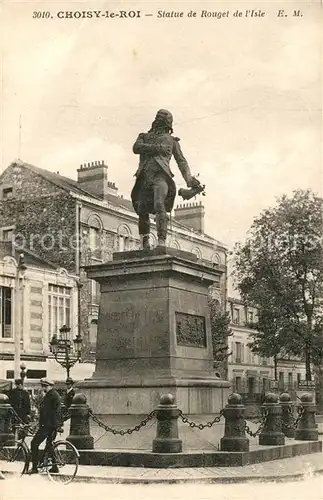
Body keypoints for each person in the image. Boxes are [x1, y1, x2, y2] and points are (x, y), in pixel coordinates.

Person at [131, 109, 196, 249]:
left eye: (162, 118)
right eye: (158, 117)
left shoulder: (172, 141)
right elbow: (136, 148)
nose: (159, 120)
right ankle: (145, 242)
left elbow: (182, 162)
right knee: (142, 208)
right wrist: (158, 149)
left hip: (161, 178)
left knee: (160, 205)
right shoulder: (144, 136)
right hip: (144, 177)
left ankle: (161, 240)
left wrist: (189, 180)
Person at [30, 378, 62, 474]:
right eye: (43, 386)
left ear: (50, 386)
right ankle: (54, 466)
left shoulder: (51, 396)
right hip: (52, 425)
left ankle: (35, 468)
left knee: (34, 443)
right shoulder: (53, 395)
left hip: (47, 426)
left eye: (45, 386)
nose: (43, 388)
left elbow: (47, 413)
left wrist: (40, 424)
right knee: (49, 445)